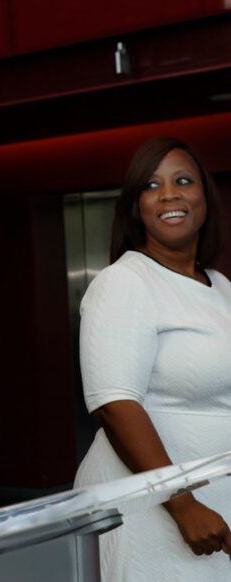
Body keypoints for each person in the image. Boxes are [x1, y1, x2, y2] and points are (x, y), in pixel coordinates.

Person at [74, 136, 231, 581]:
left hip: (216, 502)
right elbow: (114, 403)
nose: (169, 194)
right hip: (156, 509)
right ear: (134, 206)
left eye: (183, 180)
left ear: (205, 196)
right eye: (151, 185)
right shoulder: (124, 282)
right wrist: (181, 503)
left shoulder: (219, 286)